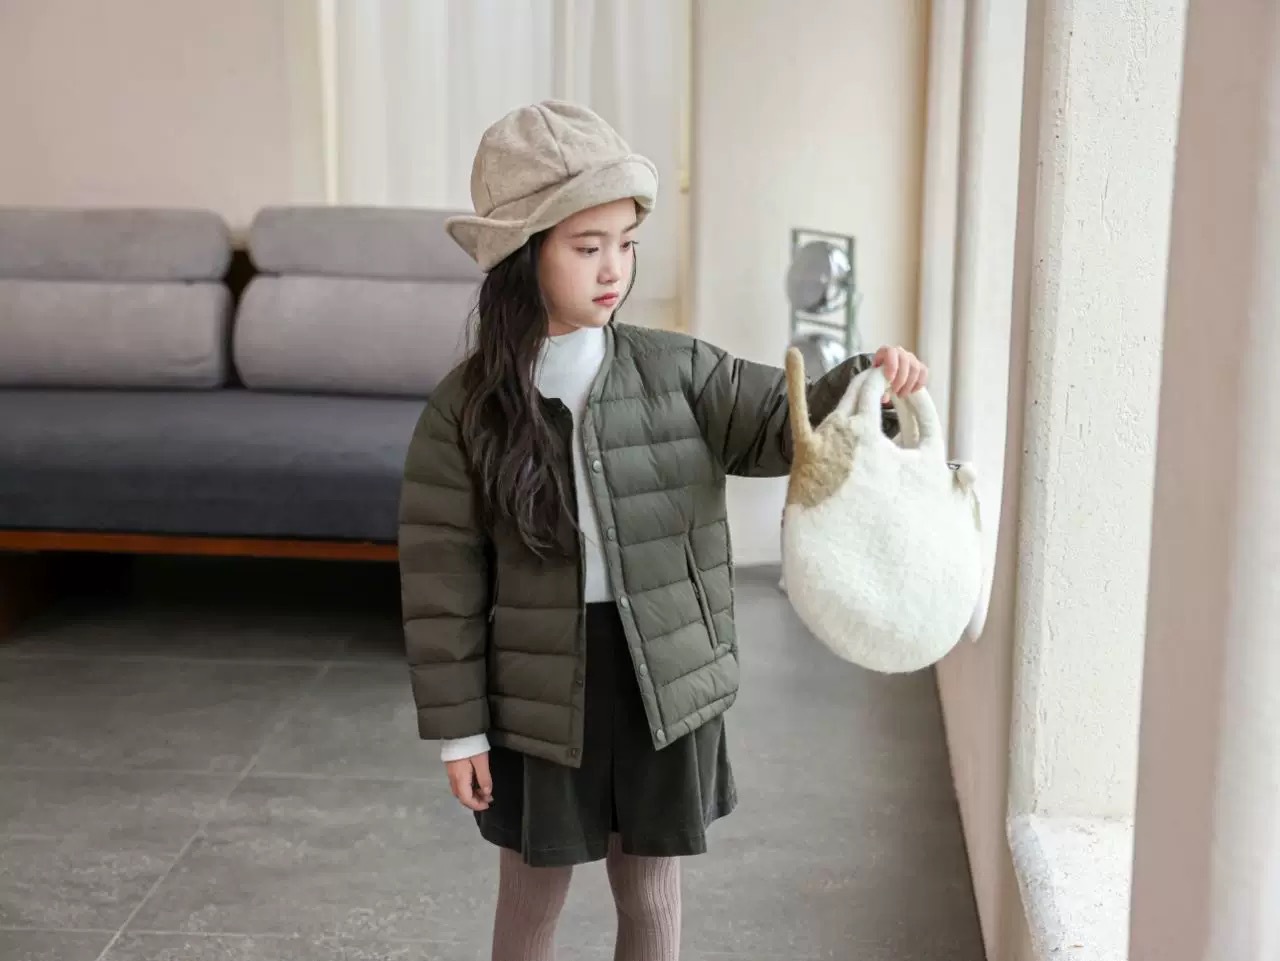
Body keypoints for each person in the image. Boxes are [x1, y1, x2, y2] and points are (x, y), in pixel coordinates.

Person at [398, 100, 927, 961]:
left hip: (662, 676)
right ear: (523, 254)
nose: (614, 267)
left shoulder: (679, 369)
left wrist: (869, 382)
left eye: (626, 243)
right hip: (537, 689)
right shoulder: (464, 411)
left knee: (649, 890)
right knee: (531, 894)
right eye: (587, 246)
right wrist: (461, 731)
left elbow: (780, 422)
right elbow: (440, 581)